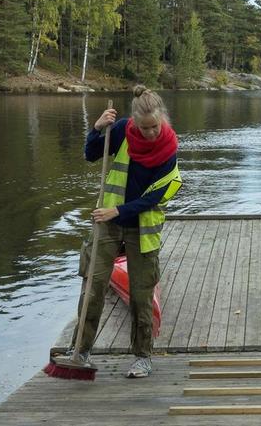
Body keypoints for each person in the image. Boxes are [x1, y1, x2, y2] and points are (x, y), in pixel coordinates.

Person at [74, 85, 182, 378]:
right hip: (107, 224)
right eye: (144, 128)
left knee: (141, 293)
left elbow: (154, 197)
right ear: (134, 121)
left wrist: (119, 211)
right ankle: (80, 352)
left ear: (163, 120)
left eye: (154, 127)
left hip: (141, 229)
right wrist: (96, 130)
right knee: (93, 286)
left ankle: (142, 356)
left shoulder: (169, 149)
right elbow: (90, 155)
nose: (150, 133)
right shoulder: (121, 130)